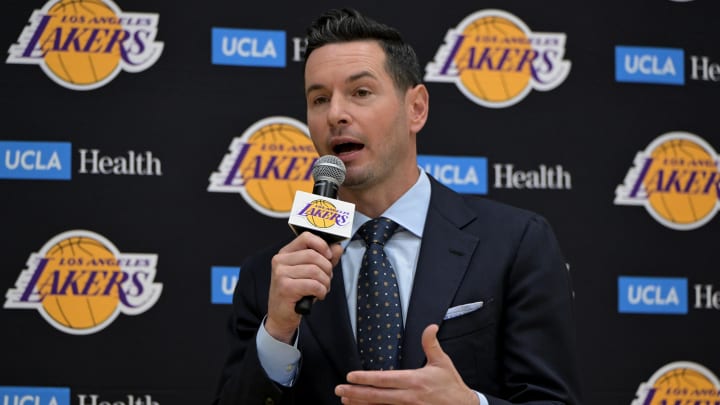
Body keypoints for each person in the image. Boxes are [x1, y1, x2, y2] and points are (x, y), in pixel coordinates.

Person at [212, 7, 582, 405]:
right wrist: (278, 333)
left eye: (361, 92)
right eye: (319, 99)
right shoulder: (269, 278)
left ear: (416, 108)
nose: (335, 114)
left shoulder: (515, 243)